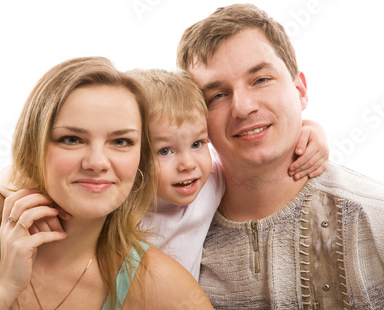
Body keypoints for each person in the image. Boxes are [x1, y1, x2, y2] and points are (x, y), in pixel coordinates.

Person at [0, 57, 227, 310]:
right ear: (33, 145)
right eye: (71, 139)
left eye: (120, 141)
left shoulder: (155, 282)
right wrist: (3, 288)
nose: (96, 163)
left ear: (141, 159)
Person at [177, 4, 384, 310]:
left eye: (261, 79)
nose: (243, 107)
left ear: (300, 90)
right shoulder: (178, 231)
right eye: (217, 95)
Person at [129, 68, 329, 280]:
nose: (188, 164)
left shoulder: (209, 182)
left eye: (197, 143)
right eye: (165, 151)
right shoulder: (120, 204)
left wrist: (313, 129)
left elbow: (248, 157)